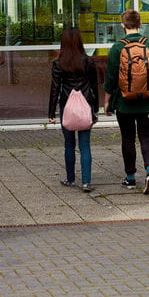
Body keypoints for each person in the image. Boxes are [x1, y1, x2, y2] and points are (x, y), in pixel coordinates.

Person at [103, 9, 149, 194]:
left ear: (123, 25)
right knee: (146, 136)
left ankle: (130, 178)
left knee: (127, 138)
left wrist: (107, 101)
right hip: (148, 100)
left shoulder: (117, 48)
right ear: (140, 25)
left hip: (124, 102)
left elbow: (111, 78)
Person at [48, 27, 99, 193]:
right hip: (86, 106)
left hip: (67, 107)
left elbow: (54, 88)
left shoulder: (58, 63)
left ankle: (71, 179)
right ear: (79, 41)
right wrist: (95, 109)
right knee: (85, 145)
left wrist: (51, 113)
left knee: (69, 144)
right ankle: (86, 182)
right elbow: (94, 87)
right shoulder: (89, 61)